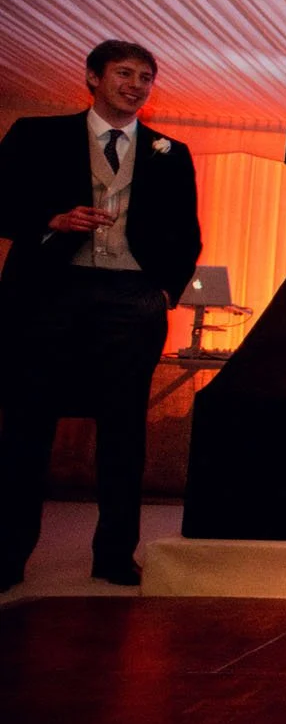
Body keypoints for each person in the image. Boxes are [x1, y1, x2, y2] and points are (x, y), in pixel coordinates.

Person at [0, 41, 201, 589]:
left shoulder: (170, 152)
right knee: (26, 427)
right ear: (93, 77)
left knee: (123, 430)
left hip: (130, 300)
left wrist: (163, 293)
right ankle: (8, 555)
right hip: (49, 293)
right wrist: (53, 221)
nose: (135, 85)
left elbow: (187, 233)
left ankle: (114, 555)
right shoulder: (36, 135)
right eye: (124, 73)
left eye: (145, 78)